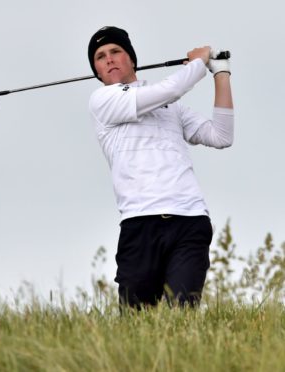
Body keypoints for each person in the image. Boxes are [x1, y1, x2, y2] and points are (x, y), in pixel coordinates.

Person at [87, 26, 234, 308]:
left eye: (116, 51)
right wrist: (198, 63)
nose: (109, 59)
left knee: (180, 316)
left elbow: (221, 136)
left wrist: (221, 73)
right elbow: (174, 88)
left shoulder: (171, 107)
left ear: (131, 58)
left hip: (189, 220)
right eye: (100, 56)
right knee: (136, 323)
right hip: (139, 223)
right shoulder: (103, 101)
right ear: (96, 69)